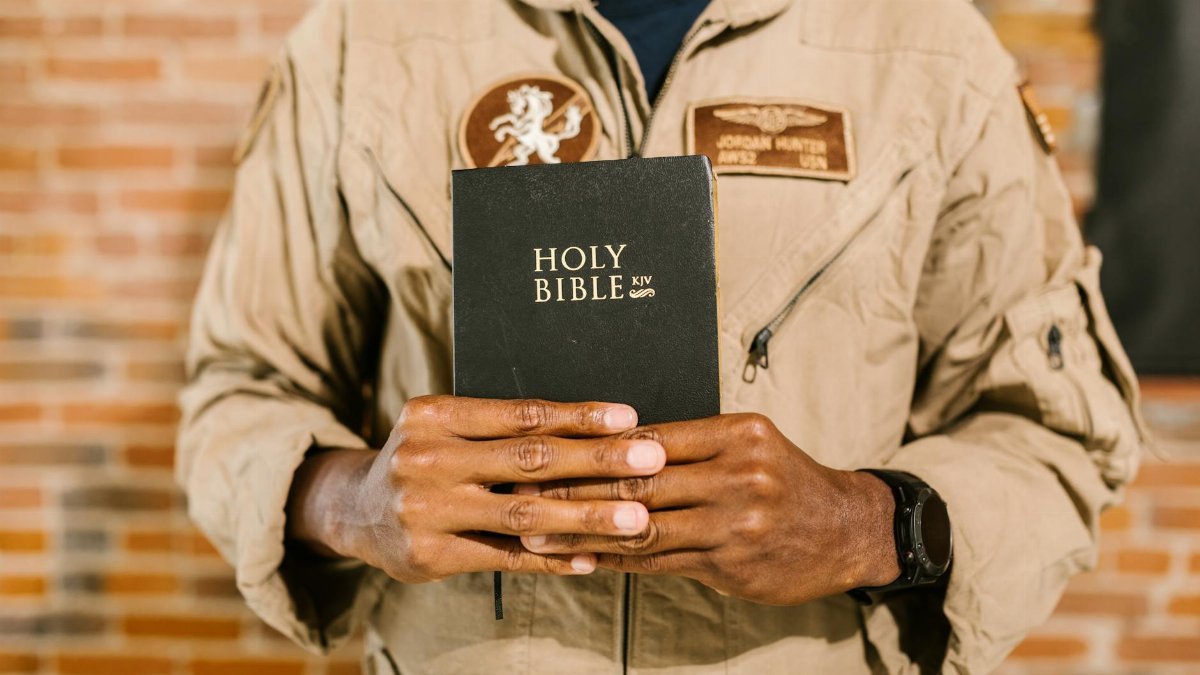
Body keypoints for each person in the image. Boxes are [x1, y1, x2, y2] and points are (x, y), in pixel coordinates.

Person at [176, 0, 1150, 672]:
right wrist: (353, 503)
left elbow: (1056, 432)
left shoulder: (928, 48)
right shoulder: (367, 38)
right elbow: (240, 383)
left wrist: (868, 524)